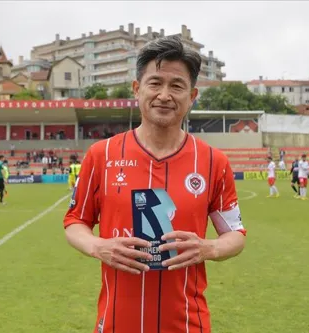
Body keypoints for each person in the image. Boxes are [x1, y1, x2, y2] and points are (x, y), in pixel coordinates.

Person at [63, 35, 246, 333]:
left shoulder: (214, 162)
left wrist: (208, 248)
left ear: (193, 95)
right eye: (155, 83)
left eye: (176, 86)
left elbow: (236, 235)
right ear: (137, 89)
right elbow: (75, 221)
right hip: (116, 323)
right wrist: (99, 246)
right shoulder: (101, 155)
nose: (164, 95)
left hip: (188, 324)